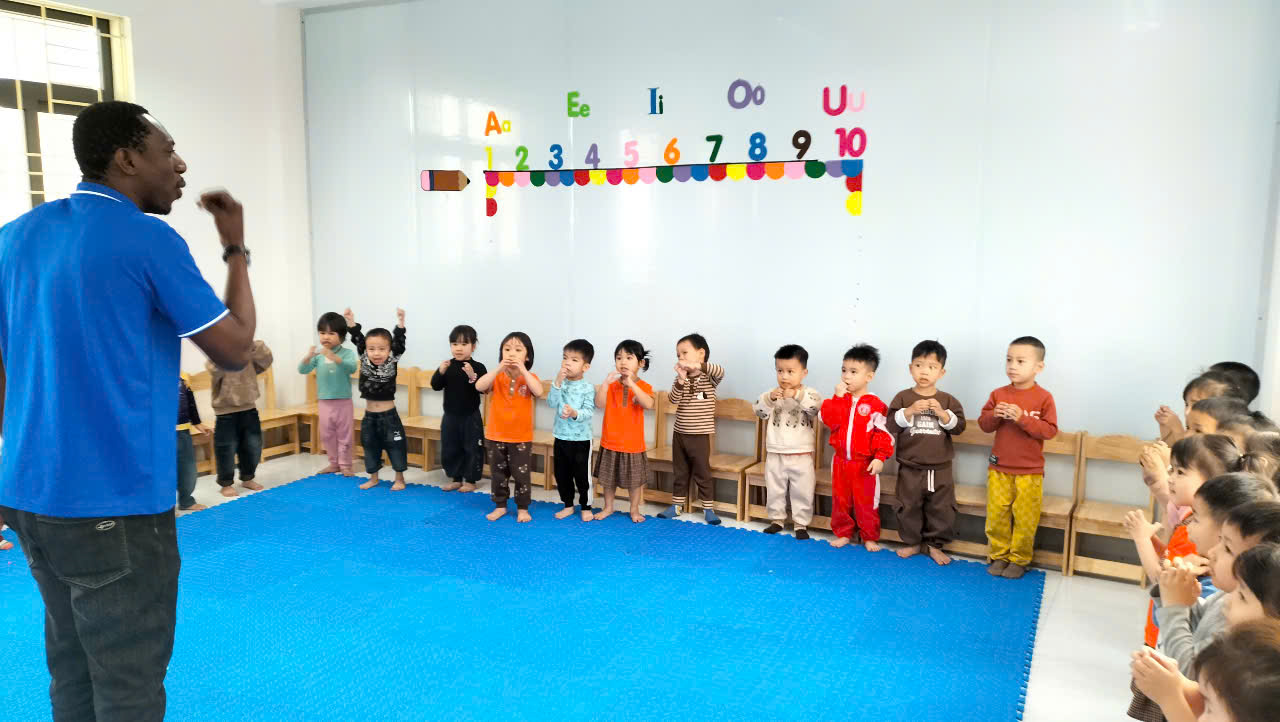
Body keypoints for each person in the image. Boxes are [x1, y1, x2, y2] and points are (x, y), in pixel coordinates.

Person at [0, 101, 256, 721]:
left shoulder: (15, 236)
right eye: (168, 151)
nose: (181, 164)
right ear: (127, 159)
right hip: (111, 504)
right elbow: (234, 348)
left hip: (29, 496)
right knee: (128, 684)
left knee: (72, 667)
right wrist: (235, 248)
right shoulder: (147, 238)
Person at [978, 335, 1058, 579]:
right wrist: (995, 414)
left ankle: (1019, 560)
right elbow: (984, 425)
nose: (1012, 366)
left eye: (1020, 361)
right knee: (997, 516)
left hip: (1030, 472)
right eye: (1009, 360)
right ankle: (999, 556)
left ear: (1038, 367)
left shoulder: (1044, 397)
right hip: (999, 468)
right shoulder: (998, 394)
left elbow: (1049, 431)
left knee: (1025, 519)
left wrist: (1022, 418)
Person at [886, 340, 966, 564]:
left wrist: (943, 414)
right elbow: (891, 424)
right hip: (910, 466)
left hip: (940, 468)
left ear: (941, 372)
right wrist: (909, 411)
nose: (924, 371)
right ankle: (912, 542)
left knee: (941, 508)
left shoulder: (948, 400)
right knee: (907, 506)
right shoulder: (903, 397)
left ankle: (934, 545)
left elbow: (959, 427)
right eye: (919, 365)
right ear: (910, 368)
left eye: (932, 367)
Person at [819, 344, 895, 551]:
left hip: (865, 464)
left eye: (853, 372)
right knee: (840, 500)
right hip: (840, 462)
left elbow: (883, 433)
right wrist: (838, 398)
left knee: (867, 502)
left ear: (869, 376)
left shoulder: (876, 405)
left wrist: (880, 457)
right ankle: (843, 533)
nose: (846, 376)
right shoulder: (836, 400)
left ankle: (869, 536)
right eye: (844, 370)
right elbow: (829, 420)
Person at [753, 344, 822, 540]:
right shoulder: (771, 394)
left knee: (803, 489)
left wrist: (797, 396)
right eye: (780, 371)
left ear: (804, 373)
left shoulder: (810, 393)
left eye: (790, 371)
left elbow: (816, 409)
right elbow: (758, 411)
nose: (784, 376)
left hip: (801, 453)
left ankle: (801, 523)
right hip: (775, 452)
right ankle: (777, 520)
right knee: (775, 488)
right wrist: (769, 399)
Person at [657, 333, 725, 525]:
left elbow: (721, 371)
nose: (681, 357)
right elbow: (673, 399)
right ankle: (676, 506)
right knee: (680, 471)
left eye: (684, 353)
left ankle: (708, 508)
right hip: (679, 433)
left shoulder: (709, 377)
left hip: (699, 435)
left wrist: (698, 366)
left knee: (702, 472)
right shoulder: (680, 378)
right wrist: (680, 380)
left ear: (701, 353)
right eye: (678, 355)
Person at [475, 332, 542, 522]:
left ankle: (522, 508)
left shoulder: (530, 377)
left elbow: (538, 391)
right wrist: (498, 368)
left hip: (520, 437)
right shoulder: (496, 376)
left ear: (527, 356)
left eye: (518, 350)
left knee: (521, 475)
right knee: (498, 474)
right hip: (496, 435)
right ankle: (500, 506)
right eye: (507, 349)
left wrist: (523, 370)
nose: (512, 353)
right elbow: (479, 386)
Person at [345, 308, 409, 491]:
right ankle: (373, 478)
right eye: (371, 349)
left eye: (382, 349)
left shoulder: (392, 359)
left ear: (389, 350)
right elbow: (357, 337)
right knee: (369, 445)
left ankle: (399, 478)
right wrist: (351, 322)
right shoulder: (364, 358)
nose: (376, 353)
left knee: (396, 445)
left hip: (389, 416)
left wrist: (401, 323)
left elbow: (400, 342)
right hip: (369, 416)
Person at [592, 340, 655, 523]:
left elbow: (649, 404)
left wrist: (632, 385)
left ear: (641, 363)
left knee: (634, 482)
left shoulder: (644, 386)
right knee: (608, 480)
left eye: (629, 358)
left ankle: (634, 510)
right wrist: (605, 384)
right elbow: (599, 404)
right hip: (610, 441)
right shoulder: (612, 385)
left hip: (633, 444)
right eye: (619, 358)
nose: (623, 362)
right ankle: (608, 507)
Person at [205, 340, 273, 497]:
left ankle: (248, 477)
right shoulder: (217, 350)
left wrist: (252, 345)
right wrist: (225, 352)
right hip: (225, 411)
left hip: (248, 407)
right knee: (226, 449)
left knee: (253, 445)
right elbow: (213, 369)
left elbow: (266, 360)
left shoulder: (247, 349)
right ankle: (226, 483)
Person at [297, 312, 358, 475]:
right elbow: (302, 370)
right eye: (322, 332)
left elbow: (352, 368)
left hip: (343, 401)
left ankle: (345, 464)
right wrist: (308, 357)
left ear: (342, 336)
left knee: (344, 434)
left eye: (331, 333)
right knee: (327, 434)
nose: (326, 337)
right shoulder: (318, 355)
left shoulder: (347, 353)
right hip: (324, 402)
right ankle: (334, 463)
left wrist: (334, 357)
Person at [431, 325, 487, 493]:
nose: (459, 348)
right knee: (451, 447)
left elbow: (483, 389)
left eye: (464, 344)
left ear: (473, 346)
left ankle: (470, 480)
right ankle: (456, 478)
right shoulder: (448, 365)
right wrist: (440, 372)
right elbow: (435, 386)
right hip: (450, 415)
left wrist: (472, 375)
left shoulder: (478, 367)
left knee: (472, 447)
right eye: (455, 344)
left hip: (471, 415)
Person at [548, 339, 596, 521]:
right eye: (565, 358)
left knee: (582, 476)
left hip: (581, 439)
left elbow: (589, 411)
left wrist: (575, 413)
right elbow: (551, 403)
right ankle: (568, 505)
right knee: (562, 474)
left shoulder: (587, 387)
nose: (567, 363)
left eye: (574, 360)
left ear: (585, 367)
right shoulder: (559, 384)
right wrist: (557, 382)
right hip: (560, 436)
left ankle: (586, 506)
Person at [177, 374, 210, 512]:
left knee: (188, 469)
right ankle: (165, 508)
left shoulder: (183, 377)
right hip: (160, 433)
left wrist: (197, 422)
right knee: (164, 472)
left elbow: (190, 400)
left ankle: (186, 501)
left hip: (182, 431)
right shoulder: (152, 374)